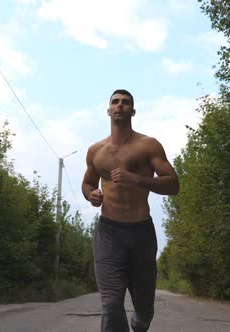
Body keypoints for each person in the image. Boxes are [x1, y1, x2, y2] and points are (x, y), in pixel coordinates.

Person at [82, 89, 180, 332]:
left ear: (133, 111)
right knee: (112, 305)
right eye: (115, 102)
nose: (119, 106)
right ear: (108, 110)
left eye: (125, 103)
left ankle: (139, 323)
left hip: (141, 234)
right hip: (109, 233)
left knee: (144, 313)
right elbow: (87, 183)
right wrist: (91, 195)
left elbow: (173, 184)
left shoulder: (148, 145)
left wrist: (135, 179)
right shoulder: (96, 151)